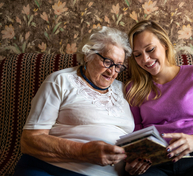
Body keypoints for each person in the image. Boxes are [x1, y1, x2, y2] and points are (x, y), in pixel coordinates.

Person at [14, 26, 134, 176]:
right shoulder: (60, 81)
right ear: (88, 55)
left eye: (118, 66)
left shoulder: (124, 90)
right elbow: (29, 141)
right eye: (107, 62)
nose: (112, 71)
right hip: (51, 169)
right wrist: (83, 152)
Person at [124, 20, 193, 176]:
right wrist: (131, 162)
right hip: (154, 163)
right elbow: (135, 133)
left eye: (150, 49)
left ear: (164, 45)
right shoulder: (133, 88)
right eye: (138, 55)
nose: (145, 59)